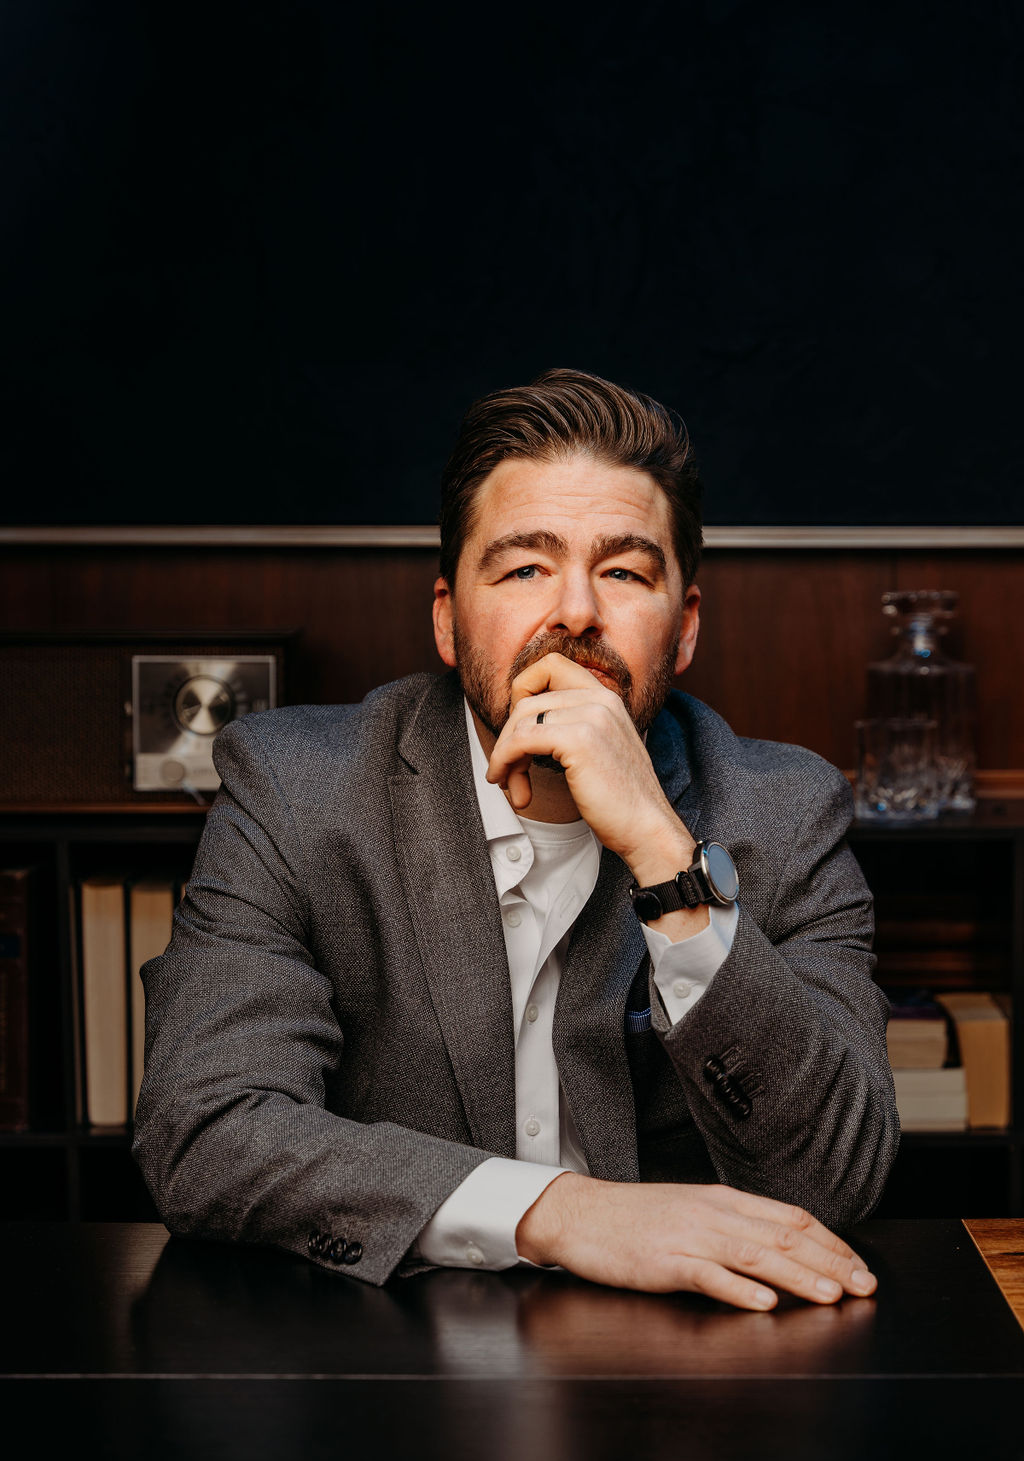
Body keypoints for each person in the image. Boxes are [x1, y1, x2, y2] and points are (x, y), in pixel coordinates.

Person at [134, 368, 899, 1311]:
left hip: (683, 1377)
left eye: (623, 571)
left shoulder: (786, 811)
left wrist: (667, 861)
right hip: (386, 1363)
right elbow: (205, 1129)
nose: (576, 613)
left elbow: (836, 1177)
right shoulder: (298, 791)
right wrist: (565, 1213)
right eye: (525, 567)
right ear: (451, 622)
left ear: (685, 628)